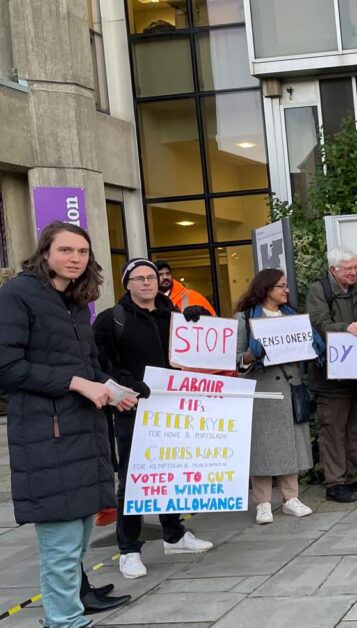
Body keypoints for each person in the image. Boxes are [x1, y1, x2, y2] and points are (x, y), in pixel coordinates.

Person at [0, 222, 137, 628]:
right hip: (47, 437)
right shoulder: (17, 295)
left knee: (76, 542)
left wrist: (114, 392)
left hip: (84, 434)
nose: (75, 258)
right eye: (66, 250)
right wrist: (76, 383)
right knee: (60, 548)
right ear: (45, 253)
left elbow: (89, 367)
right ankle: (65, 623)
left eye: (82, 252)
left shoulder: (76, 302)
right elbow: (7, 368)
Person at [94, 258, 213, 579]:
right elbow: (101, 363)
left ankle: (173, 533)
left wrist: (197, 325)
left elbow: (196, 354)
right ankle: (129, 549)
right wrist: (128, 385)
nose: (147, 282)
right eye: (139, 278)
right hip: (132, 409)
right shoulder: (111, 320)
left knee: (171, 470)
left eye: (151, 277)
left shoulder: (173, 315)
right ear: (127, 283)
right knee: (135, 477)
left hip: (171, 409)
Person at [234, 268, 317, 523]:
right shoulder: (245, 317)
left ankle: (291, 498)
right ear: (266, 288)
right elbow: (235, 360)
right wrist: (251, 354)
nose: (286, 290)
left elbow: (307, 346)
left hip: (290, 386)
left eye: (286, 285)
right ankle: (263, 503)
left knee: (290, 442)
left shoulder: (291, 316)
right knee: (263, 447)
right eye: (281, 285)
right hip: (262, 389)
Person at [305, 247, 357, 504]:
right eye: (348, 268)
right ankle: (335, 482)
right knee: (333, 430)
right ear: (332, 270)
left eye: (356, 267)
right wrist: (345, 328)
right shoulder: (319, 291)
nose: (354, 272)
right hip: (330, 376)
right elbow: (318, 323)